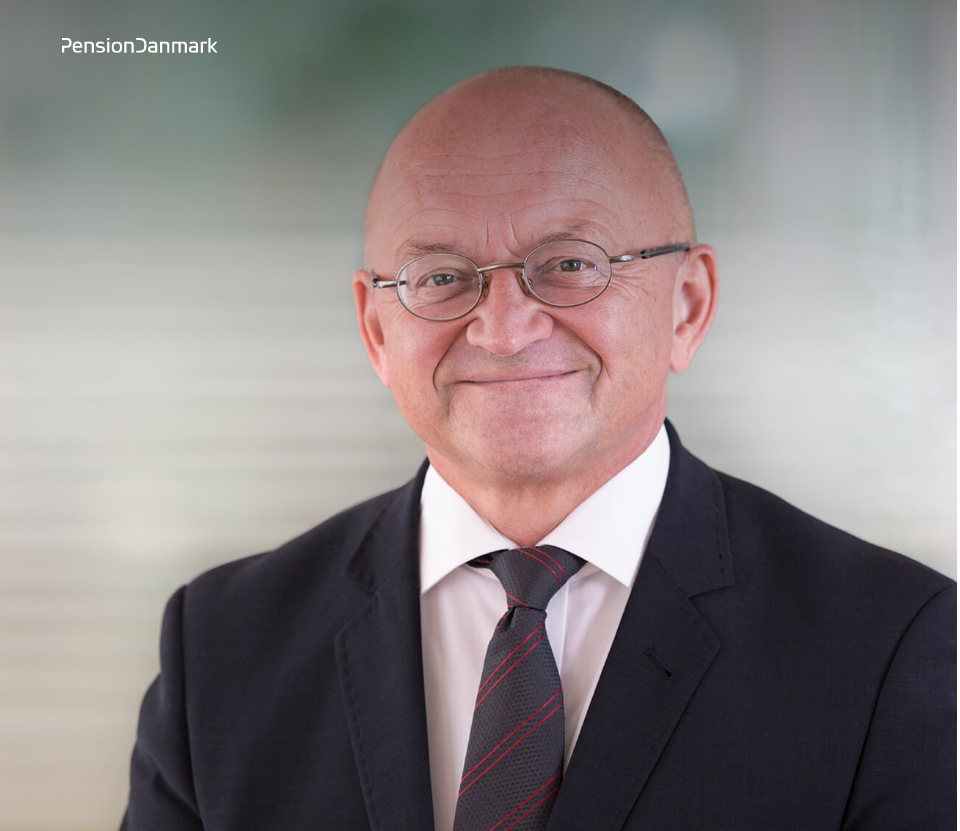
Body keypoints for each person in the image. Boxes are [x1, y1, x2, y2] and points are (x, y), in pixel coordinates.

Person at [121, 67, 955, 830]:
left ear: (688, 306)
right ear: (375, 330)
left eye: (568, 264)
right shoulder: (221, 647)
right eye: (441, 277)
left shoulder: (893, 646)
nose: (503, 330)